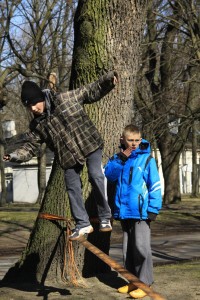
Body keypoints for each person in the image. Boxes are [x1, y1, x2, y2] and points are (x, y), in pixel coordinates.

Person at [3, 71, 118, 241]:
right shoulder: (37, 125)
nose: (34, 108)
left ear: (41, 97)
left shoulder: (64, 99)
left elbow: (89, 91)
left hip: (89, 144)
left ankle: (104, 216)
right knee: (72, 186)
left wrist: (108, 80)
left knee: (95, 175)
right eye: (29, 107)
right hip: (68, 156)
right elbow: (30, 148)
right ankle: (82, 223)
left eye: (35, 103)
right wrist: (13, 156)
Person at [104, 124, 162, 299]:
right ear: (123, 139)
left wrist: (153, 209)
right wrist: (121, 158)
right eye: (130, 140)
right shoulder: (118, 158)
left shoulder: (147, 160)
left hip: (141, 213)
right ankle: (132, 281)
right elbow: (109, 174)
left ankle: (144, 284)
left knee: (141, 248)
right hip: (124, 212)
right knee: (128, 249)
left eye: (137, 140)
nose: (134, 144)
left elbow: (155, 186)